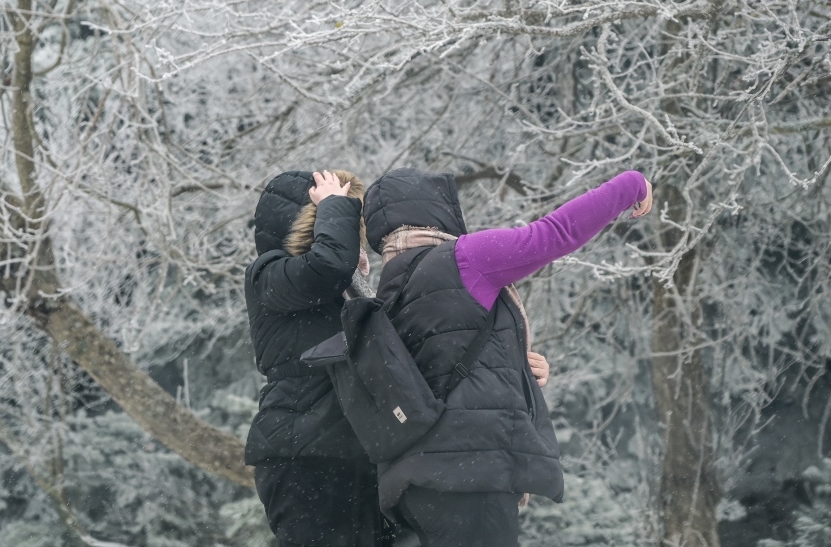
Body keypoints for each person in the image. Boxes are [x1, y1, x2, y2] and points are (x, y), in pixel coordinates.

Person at [361, 168, 653, 547]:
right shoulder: (464, 259)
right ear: (437, 209)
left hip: (416, 480)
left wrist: (517, 364)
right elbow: (556, 233)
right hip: (469, 474)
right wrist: (630, 184)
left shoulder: (388, 290)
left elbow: (434, 368)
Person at [244, 170, 385, 547]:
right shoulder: (268, 274)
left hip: (357, 454)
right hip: (304, 456)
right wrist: (337, 209)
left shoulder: (351, 288)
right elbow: (326, 268)